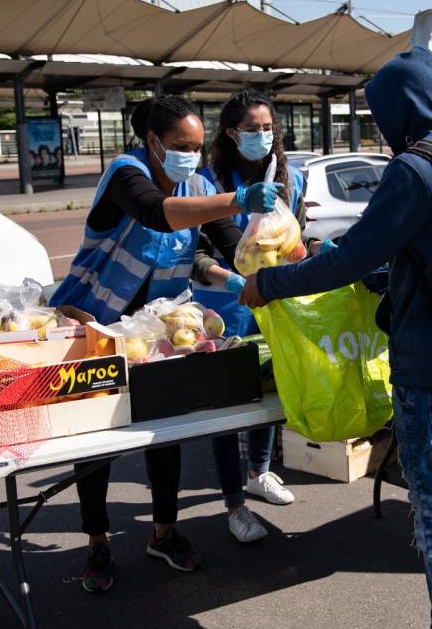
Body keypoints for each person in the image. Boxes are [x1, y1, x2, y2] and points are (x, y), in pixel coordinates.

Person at [239, 47, 432, 629]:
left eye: (381, 110)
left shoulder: (414, 169)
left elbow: (347, 260)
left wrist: (272, 283)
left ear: (398, 106)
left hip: (429, 365)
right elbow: (421, 251)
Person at [50, 95, 279, 594]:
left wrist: (259, 265)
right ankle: (97, 542)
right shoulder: (125, 174)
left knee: (164, 433)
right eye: (181, 146)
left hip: (159, 335)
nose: (191, 156)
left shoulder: (198, 184)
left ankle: (163, 532)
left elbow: (219, 243)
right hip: (93, 328)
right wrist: (240, 199)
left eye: (197, 147)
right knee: (93, 446)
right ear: (153, 142)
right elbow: (158, 215)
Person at [192, 90, 314, 517]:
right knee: (225, 407)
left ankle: (259, 473)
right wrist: (234, 280)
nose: (261, 136)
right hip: (223, 308)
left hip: (274, 303)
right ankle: (233, 504)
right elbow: (201, 249)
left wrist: (313, 257)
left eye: (267, 128)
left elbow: (293, 238)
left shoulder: (291, 178)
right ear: (230, 132)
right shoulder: (205, 183)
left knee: (269, 392)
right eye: (251, 129)